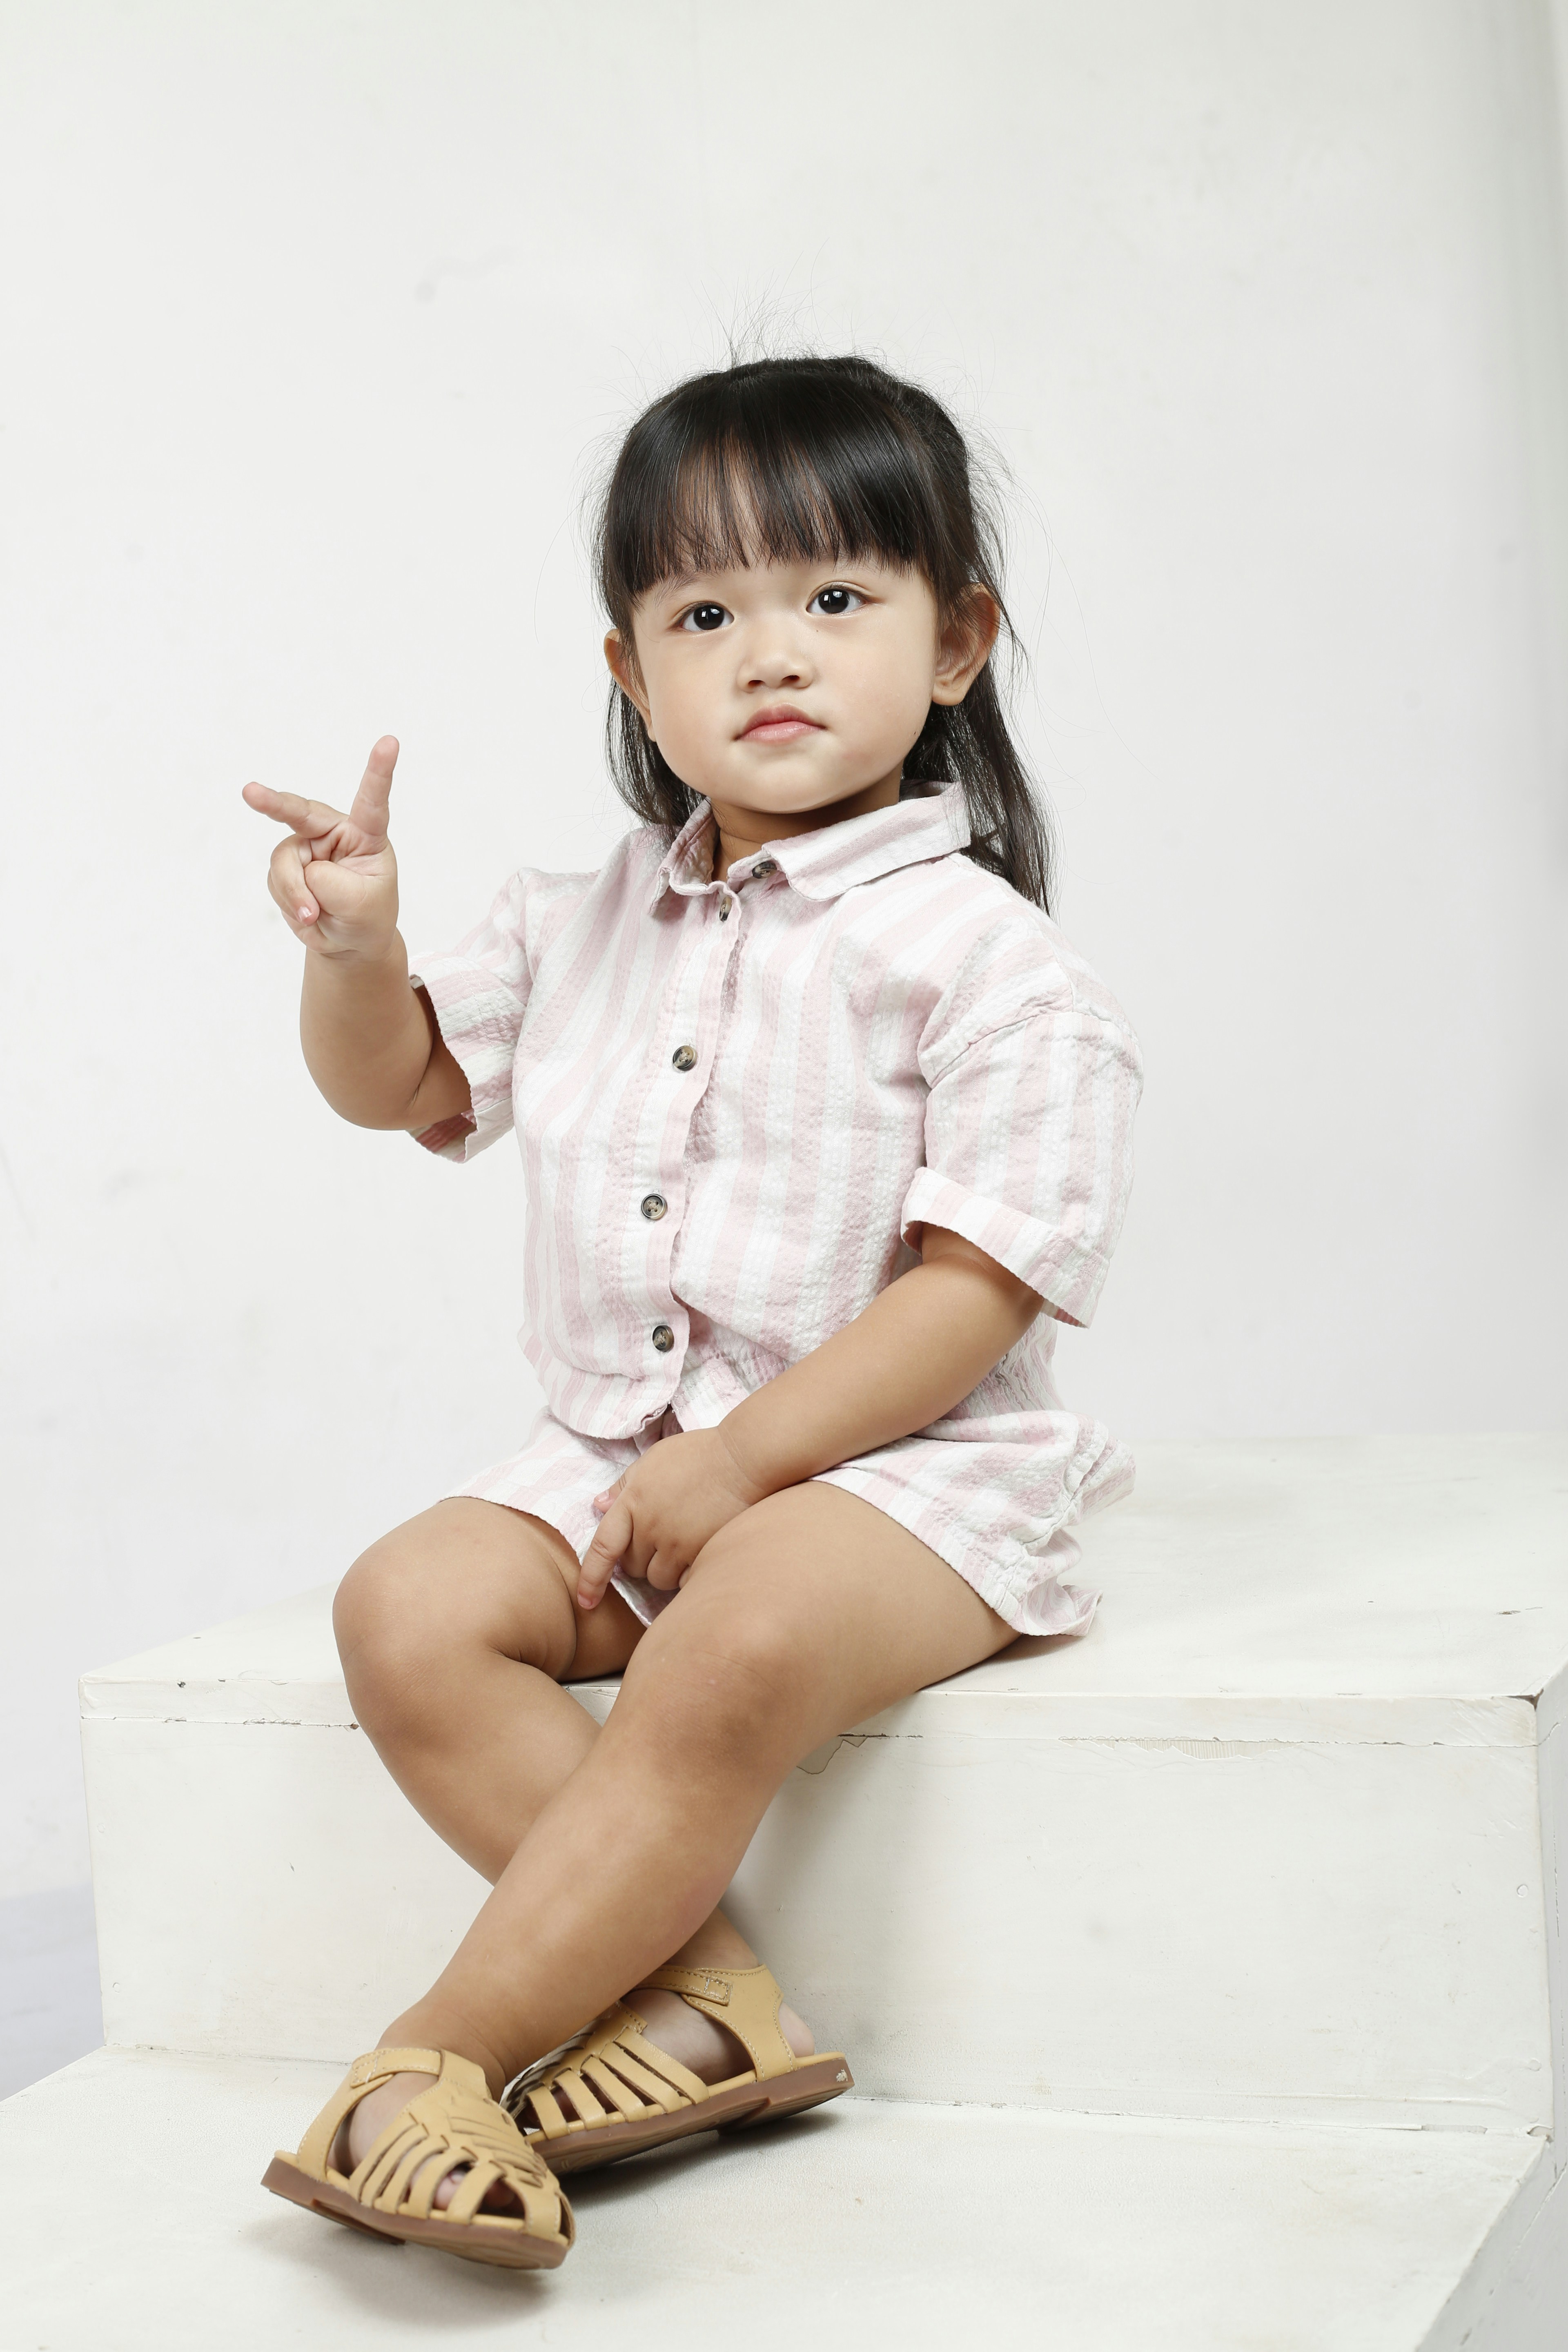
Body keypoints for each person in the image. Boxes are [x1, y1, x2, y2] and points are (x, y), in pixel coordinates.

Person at [247, 353, 1142, 2270]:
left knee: (734, 1639)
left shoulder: (995, 966)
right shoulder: (570, 922)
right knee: (404, 1605)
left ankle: (435, 2056)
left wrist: (745, 1466)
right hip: (620, 1457)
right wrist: (358, 952)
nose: (771, 652)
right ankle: (707, 1995)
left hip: (901, 1476)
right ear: (632, 673)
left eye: (837, 597)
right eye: (706, 615)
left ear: (957, 641)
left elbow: (973, 1297)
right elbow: (400, 1085)